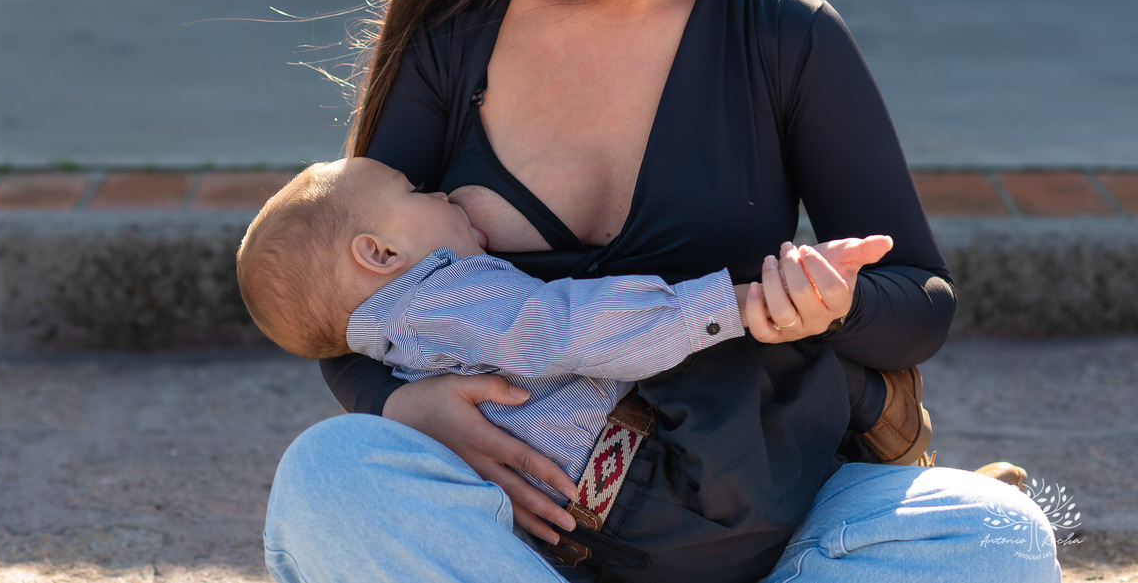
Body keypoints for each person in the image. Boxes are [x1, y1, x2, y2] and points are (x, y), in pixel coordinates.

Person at [262, 0, 1060, 581]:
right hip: (517, 543)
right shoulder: (453, 39)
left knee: (997, 533)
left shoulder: (784, 32)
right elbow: (341, 297)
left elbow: (920, 301)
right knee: (326, 474)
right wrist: (397, 405)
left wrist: (833, 305)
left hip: (767, 522)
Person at [236, 157, 916, 513]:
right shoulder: (440, 296)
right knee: (747, 363)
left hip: (601, 522)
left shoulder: (399, 344)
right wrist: (725, 303)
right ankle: (876, 409)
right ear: (378, 253)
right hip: (666, 478)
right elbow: (558, 325)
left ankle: (894, 484)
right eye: (418, 191)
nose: (442, 194)